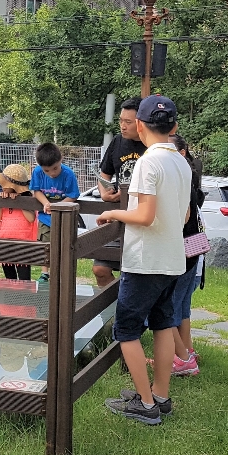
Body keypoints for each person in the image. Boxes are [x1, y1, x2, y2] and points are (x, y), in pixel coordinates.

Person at [97, 95, 191, 425]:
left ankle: (146, 404)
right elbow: (184, 215)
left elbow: (145, 216)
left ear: (139, 125)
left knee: (126, 330)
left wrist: (113, 213)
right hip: (173, 258)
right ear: (174, 127)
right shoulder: (181, 162)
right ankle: (160, 396)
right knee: (164, 324)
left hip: (146, 260)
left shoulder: (148, 163)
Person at [94, 97, 147, 287]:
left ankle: (127, 302)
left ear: (141, 122)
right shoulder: (117, 142)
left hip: (143, 218)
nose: (123, 126)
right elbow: (104, 173)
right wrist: (104, 193)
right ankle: (117, 303)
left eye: (128, 122)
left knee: (136, 275)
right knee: (100, 268)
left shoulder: (152, 146)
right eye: (121, 121)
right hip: (118, 216)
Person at [166, 133, 204, 376]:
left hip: (183, 247)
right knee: (182, 304)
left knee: (167, 305)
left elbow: (183, 216)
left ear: (181, 153)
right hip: (195, 244)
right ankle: (187, 350)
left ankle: (182, 359)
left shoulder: (178, 176)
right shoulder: (189, 173)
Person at [30, 143, 79, 283]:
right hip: (45, 217)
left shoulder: (68, 174)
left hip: (65, 217)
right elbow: (36, 191)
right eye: (47, 170)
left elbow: (73, 195)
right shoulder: (37, 172)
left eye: (55, 168)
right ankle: (44, 272)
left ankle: (61, 272)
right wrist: (46, 203)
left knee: (64, 245)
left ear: (61, 159)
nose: (52, 173)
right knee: (45, 244)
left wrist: (57, 206)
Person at [0, 164, 37, 281]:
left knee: (24, 279)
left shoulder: (28, 200)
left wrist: (18, 203)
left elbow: (31, 218)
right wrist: (2, 204)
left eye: (5, 184)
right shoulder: (3, 200)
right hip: (5, 245)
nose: (2, 187)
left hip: (23, 245)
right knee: (9, 278)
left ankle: (23, 293)